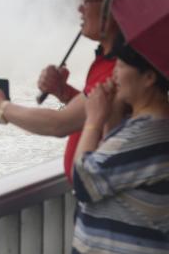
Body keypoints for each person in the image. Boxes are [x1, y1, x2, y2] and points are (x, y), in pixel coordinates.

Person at [0, 0, 119, 183]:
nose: (80, 8)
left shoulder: (117, 70)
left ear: (113, 8)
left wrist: (1, 109)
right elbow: (97, 110)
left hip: (101, 203)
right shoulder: (105, 61)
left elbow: (58, 124)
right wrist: (65, 93)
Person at [72, 37, 169, 253]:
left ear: (149, 77)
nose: (114, 72)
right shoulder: (151, 128)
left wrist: (93, 121)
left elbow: (83, 181)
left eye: (122, 65)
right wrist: (113, 113)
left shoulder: (146, 134)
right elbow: (114, 170)